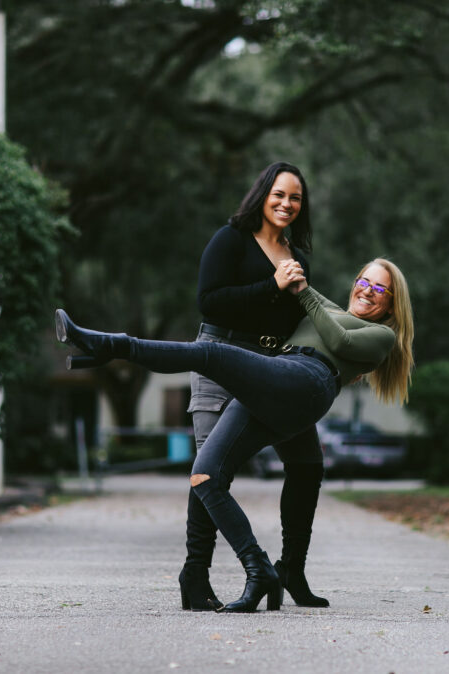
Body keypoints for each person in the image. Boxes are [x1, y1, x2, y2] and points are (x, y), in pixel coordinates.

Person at [54, 258, 414, 612]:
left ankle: (109, 346)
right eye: (364, 281)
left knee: (210, 353)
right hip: (273, 378)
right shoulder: (329, 307)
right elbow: (291, 273)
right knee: (205, 475)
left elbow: (341, 342)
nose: (368, 291)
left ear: (391, 304)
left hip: (308, 380)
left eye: (380, 288)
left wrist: (304, 294)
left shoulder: (382, 335)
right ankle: (261, 571)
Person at [184, 161, 327, 612]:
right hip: (219, 358)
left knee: (306, 463)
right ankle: (196, 577)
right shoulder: (231, 239)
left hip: (270, 367)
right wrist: (271, 285)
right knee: (209, 469)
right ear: (262, 195)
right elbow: (209, 301)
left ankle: (292, 570)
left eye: (296, 198)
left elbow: (293, 321)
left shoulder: (298, 257)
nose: (287, 204)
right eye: (279, 195)